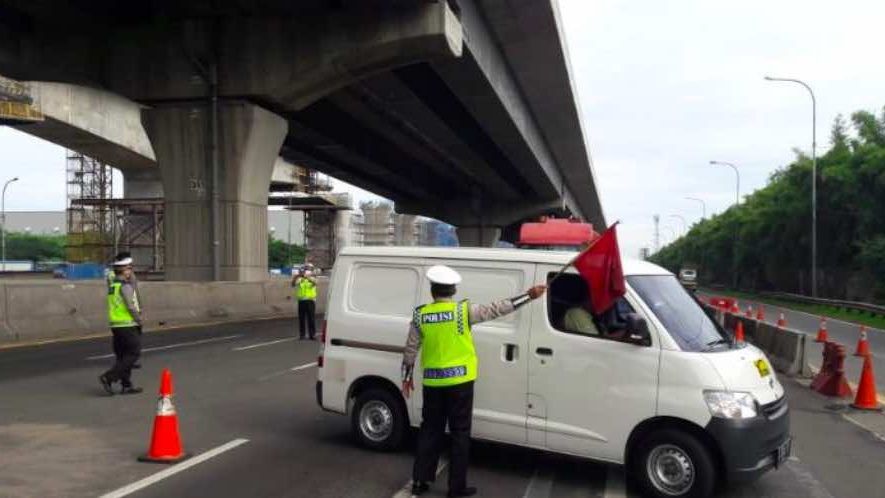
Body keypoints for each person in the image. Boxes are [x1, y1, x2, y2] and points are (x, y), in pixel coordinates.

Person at [401, 265, 546, 497]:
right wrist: (528, 296)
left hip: (434, 384)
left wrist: (406, 378)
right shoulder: (463, 312)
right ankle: (456, 487)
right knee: (459, 432)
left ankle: (420, 481)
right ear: (453, 290)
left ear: (432, 290)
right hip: (460, 383)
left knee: (430, 430)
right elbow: (497, 309)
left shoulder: (420, 315)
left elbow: (410, 349)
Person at [98, 253, 143, 395]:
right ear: (124, 270)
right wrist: (139, 320)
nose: (131, 271)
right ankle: (108, 377)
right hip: (127, 324)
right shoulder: (125, 286)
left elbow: (116, 275)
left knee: (123, 356)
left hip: (116, 325)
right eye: (129, 268)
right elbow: (131, 306)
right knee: (134, 353)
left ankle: (127, 385)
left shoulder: (113, 285)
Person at [292, 263, 318, 340]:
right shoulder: (300, 278)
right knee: (301, 318)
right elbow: (293, 284)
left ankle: (312, 334)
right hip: (301, 301)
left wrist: (308, 277)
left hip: (310, 300)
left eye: (309, 269)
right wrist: (297, 277)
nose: (307, 271)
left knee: (311, 318)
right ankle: (302, 334)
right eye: (306, 269)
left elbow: (315, 283)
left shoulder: (313, 278)